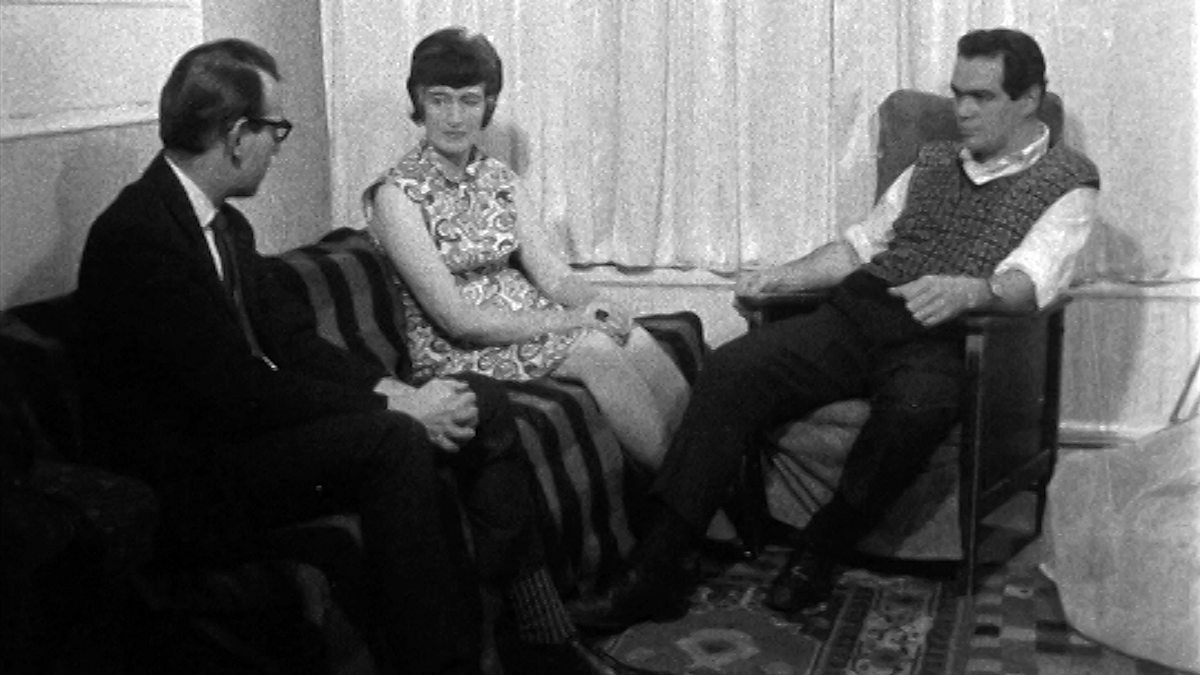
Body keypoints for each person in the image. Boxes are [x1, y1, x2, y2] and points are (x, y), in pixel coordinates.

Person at [75, 38, 659, 675]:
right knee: (393, 442)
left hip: (250, 428)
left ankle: (538, 628)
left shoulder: (227, 226)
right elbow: (235, 391)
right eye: (275, 129)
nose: (279, 146)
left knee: (478, 400)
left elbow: (296, 345)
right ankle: (442, 662)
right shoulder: (140, 235)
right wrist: (398, 409)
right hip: (193, 474)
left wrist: (400, 392)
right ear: (238, 136)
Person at [567, 27, 1101, 633]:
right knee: (734, 367)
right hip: (862, 313)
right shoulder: (932, 162)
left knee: (918, 406)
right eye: (958, 93)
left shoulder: (1067, 181)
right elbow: (858, 248)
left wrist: (974, 290)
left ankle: (824, 545)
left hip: (949, 335)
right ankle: (655, 570)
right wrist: (782, 277)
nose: (962, 110)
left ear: (1029, 99)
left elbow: (1034, 278)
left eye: (982, 97)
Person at [363, 27, 694, 483]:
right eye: (439, 100)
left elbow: (552, 276)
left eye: (469, 100)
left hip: (528, 323)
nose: (455, 117)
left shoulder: (498, 177)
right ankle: (683, 495)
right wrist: (571, 321)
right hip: (459, 349)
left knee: (630, 335)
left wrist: (599, 303)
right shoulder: (396, 195)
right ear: (419, 102)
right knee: (595, 350)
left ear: (488, 105)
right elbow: (458, 320)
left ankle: (705, 476)